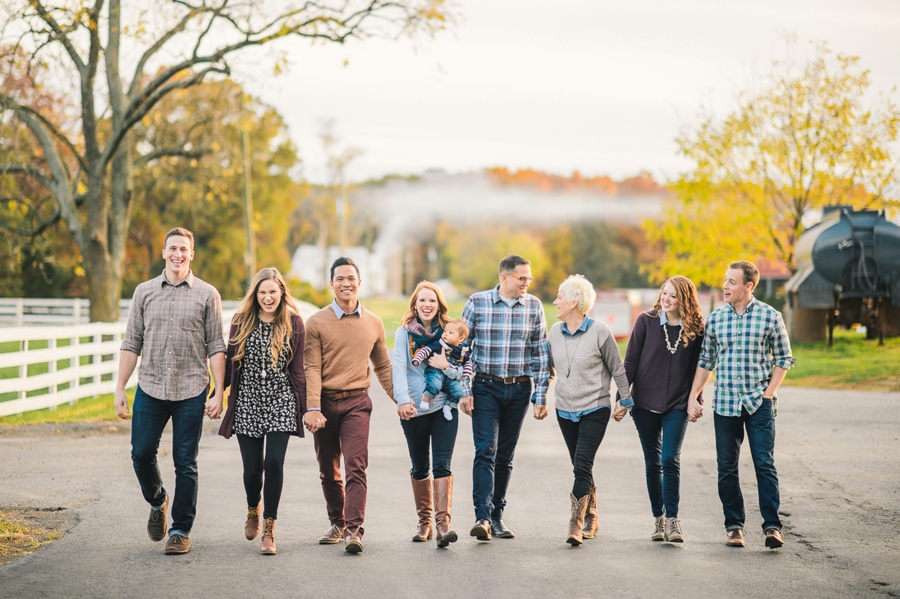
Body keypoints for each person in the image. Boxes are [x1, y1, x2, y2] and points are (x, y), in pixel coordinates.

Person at [114, 227, 226, 555]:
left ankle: (180, 529)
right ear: (164, 253)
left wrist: (220, 392)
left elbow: (216, 345)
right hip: (150, 387)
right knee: (141, 453)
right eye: (172, 248)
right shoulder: (144, 293)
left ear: (192, 255)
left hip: (191, 389)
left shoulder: (208, 295)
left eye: (184, 249)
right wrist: (120, 388)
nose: (178, 254)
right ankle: (158, 500)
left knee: (185, 462)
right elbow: (131, 341)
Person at [687, 260, 796, 549]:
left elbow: (784, 358)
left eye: (732, 282)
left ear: (748, 286)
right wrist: (693, 395)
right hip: (724, 404)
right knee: (726, 468)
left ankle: (772, 526)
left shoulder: (770, 316)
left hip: (758, 403)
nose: (725, 286)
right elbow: (706, 361)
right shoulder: (715, 319)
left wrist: (769, 394)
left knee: (764, 464)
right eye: (725, 280)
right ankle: (734, 526)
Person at [303, 257, 394, 554]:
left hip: (357, 402)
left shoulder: (374, 323)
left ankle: (354, 530)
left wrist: (402, 401)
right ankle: (337, 522)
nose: (346, 283)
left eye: (350, 278)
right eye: (339, 278)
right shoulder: (316, 322)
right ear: (331, 284)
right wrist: (313, 407)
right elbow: (312, 368)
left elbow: (383, 367)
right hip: (325, 404)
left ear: (359, 282)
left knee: (356, 467)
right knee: (328, 470)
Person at [459, 254, 551, 541]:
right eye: (522, 278)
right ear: (505, 277)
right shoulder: (477, 303)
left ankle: (497, 516)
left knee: (505, 455)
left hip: (520, 389)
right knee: (485, 449)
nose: (526, 283)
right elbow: (461, 350)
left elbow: (540, 354)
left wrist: (541, 395)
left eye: (529, 278)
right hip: (485, 386)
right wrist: (464, 391)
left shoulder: (534, 306)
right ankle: (482, 517)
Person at [217, 268, 306, 555]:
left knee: (274, 464)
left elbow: (298, 369)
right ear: (255, 294)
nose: (268, 297)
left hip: (281, 398)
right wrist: (219, 395)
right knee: (252, 470)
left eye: (273, 291)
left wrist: (304, 408)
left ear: (282, 293)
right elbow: (230, 362)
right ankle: (253, 508)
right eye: (262, 292)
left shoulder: (294, 323)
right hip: (247, 401)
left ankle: (269, 527)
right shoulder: (241, 321)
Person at [614, 275, 704, 544]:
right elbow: (629, 363)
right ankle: (659, 519)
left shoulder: (696, 328)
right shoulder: (646, 321)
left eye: (673, 295)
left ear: (685, 301)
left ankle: (674, 521)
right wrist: (621, 397)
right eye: (664, 293)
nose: (666, 299)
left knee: (670, 460)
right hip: (643, 404)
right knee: (653, 462)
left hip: (677, 403)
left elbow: (699, 369)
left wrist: (696, 400)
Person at [548, 275, 633, 546]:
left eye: (559, 297)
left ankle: (575, 523)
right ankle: (592, 514)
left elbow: (617, 368)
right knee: (580, 465)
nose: (555, 301)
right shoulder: (554, 332)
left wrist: (626, 401)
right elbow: (545, 369)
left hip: (595, 408)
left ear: (574, 302)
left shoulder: (599, 331)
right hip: (565, 409)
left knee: (582, 464)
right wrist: (539, 397)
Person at [392, 282, 468, 548]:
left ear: (439, 305)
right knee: (420, 465)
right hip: (413, 407)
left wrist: (446, 366)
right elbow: (398, 367)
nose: (427, 305)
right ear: (415, 304)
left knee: (442, 466)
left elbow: (464, 369)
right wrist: (402, 400)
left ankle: (442, 525)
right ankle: (424, 521)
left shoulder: (451, 332)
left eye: (432, 301)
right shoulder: (405, 333)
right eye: (422, 300)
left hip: (443, 408)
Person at [412, 319, 473, 416]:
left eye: (450, 333)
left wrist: (467, 372)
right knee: (434, 384)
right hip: (435, 372)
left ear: (461, 339)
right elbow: (426, 350)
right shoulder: (439, 344)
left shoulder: (463, 350)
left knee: (458, 390)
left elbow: (468, 362)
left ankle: (448, 406)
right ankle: (425, 401)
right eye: (445, 331)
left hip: (450, 377)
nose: (445, 334)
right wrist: (417, 359)